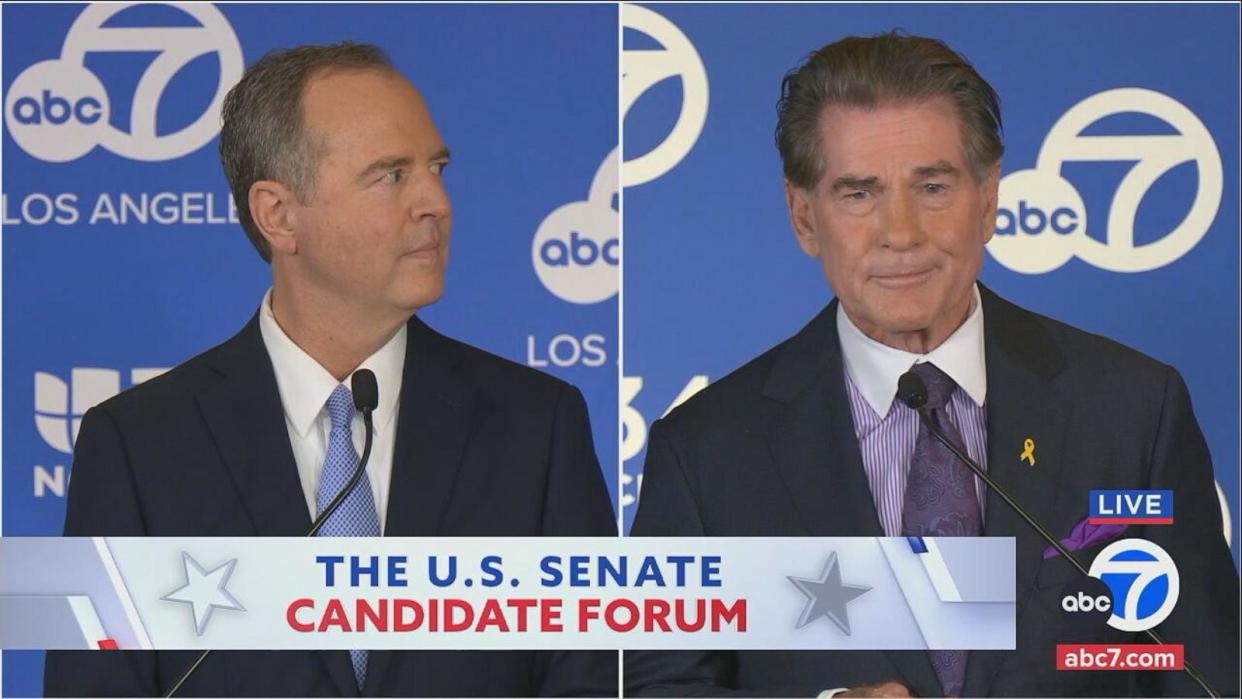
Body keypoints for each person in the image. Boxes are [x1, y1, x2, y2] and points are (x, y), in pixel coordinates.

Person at [624, 32, 1239, 698]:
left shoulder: (1133, 411)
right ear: (804, 217)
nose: (902, 232)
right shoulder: (708, 452)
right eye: (859, 194)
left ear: (989, 197)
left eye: (934, 186)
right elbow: (660, 685)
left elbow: (1200, 675)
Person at [45, 42, 617, 697]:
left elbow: (587, 680)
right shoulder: (138, 445)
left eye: (437, 167)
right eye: (392, 174)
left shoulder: (537, 428)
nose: (435, 201)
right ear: (279, 215)